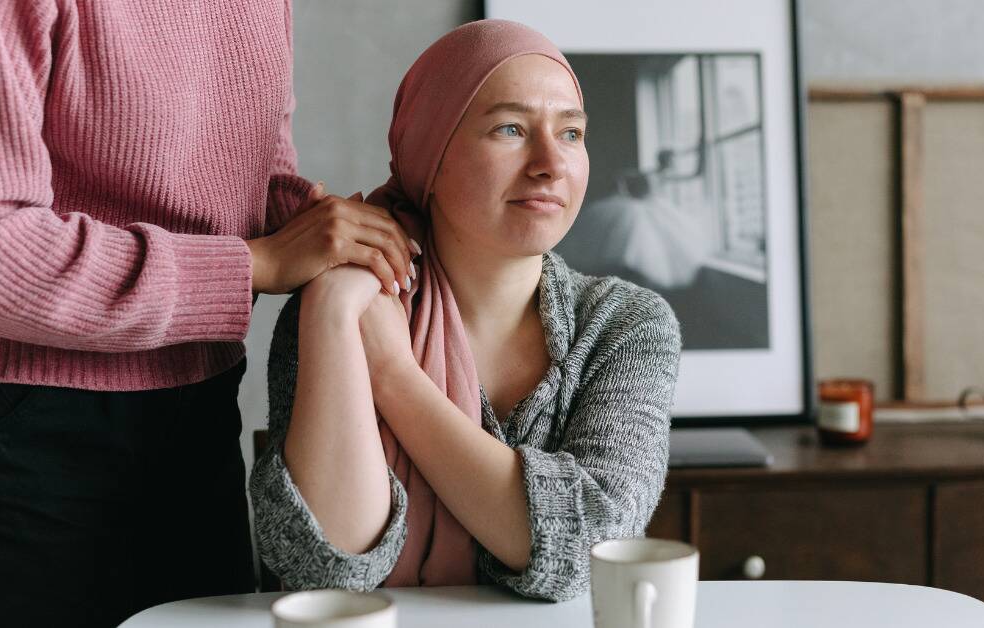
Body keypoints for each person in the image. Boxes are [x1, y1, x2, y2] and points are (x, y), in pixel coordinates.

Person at [0, 2, 416, 626]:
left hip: (201, 412)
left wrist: (324, 222)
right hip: (28, 431)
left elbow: (242, 181)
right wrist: (253, 264)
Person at [250, 19, 682, 601]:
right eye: (510, 129)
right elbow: (325, 573)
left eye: (572, 133)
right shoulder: (343, 303)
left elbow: (588, 550)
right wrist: (329, 305)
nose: (550, 163)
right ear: (431, 153)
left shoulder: (627, 326)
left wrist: (395, 376)